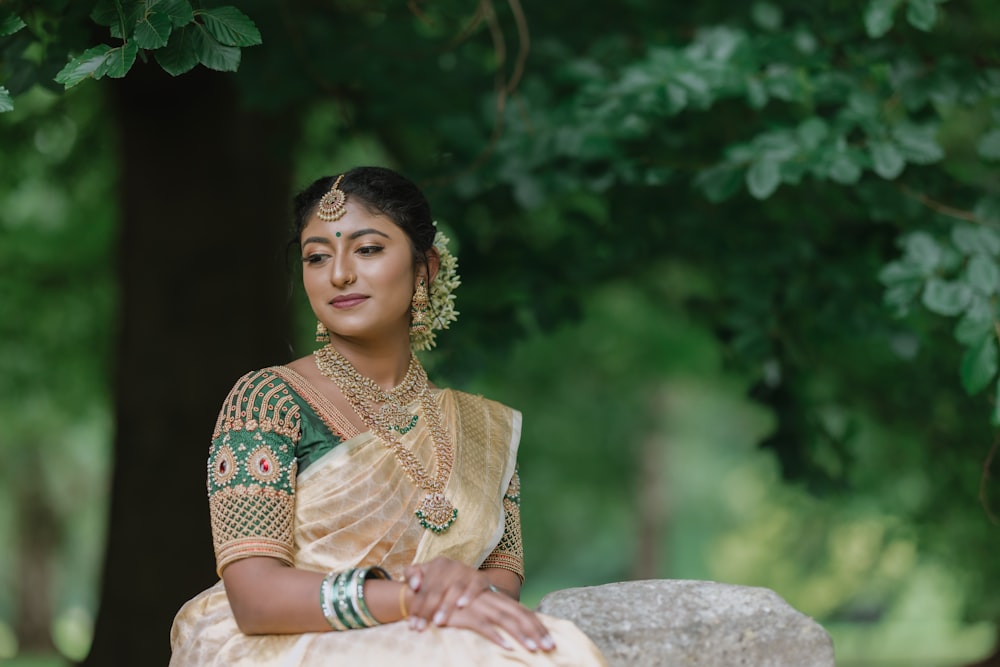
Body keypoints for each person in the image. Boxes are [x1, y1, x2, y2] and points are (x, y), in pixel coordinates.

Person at [169, 166, 607, 666]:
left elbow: (500, 588)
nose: (339, 274)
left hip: (447, 637)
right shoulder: (269, 402)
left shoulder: (483, 430)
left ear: (426, 268)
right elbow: (255, 598)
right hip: (300, 645)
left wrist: (456, 587)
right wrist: (408, 597)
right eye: (316, 257)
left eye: (368, 249)